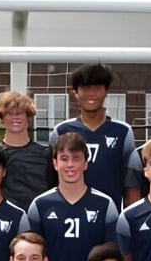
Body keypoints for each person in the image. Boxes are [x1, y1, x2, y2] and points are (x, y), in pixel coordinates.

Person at [27, 133, 119, 261]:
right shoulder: (40, 206)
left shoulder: (105, 205)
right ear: (55, 163)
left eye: (76, 158)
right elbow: (33, 259)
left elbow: (112, 259)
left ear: (85, 163)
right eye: (64, 158)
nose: (70, 165)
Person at [47, 64, 142, 208]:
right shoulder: (61, 131)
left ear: (106, 92)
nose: (92, 93)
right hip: (67, 216)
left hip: (109, 219)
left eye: (97, 88)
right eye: (85, 88)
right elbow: (51, 181)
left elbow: (131, 184)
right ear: (76, 92)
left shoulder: (123, 132)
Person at [0, 91, 52, 210]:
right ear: (2, 118)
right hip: (4, 219)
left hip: (39, 217)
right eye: (9, 113)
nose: (15, 117)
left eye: (20, 113)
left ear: (28, 117)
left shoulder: (46, 153)